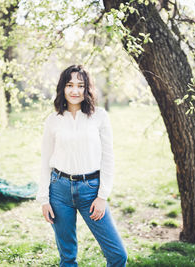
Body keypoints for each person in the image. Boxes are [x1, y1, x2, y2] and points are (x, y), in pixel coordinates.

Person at [37, 65, 127, 267]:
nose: (75, 91)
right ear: (63, 88)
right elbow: (45, 161)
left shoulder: (100, 116)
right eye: (70, 85)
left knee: (118, 255)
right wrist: (44, 199)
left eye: (80, 85)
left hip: (91, 191)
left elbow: (108, 158)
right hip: (59, 191)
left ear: (87, 89)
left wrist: (102, 196)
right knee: (67, 258)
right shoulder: (53, 120)